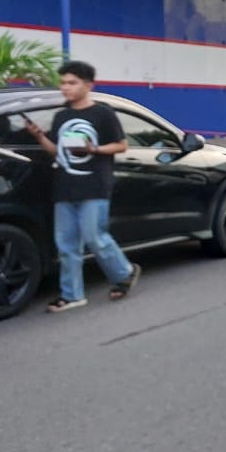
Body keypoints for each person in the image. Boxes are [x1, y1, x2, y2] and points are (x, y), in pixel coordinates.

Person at [26, 61, 141, 312]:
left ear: (88, 85)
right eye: (63, 83)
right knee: (66, 244)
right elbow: (58, 151)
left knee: (95, 237)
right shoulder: (62, 116)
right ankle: (72, 295)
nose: (65, 87)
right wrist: (39, 136)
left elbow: (121, 145)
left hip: (94, 185)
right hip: (64, 186)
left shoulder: (103, 113)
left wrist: (94, 150)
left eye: (71, 83)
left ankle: (124, 272)